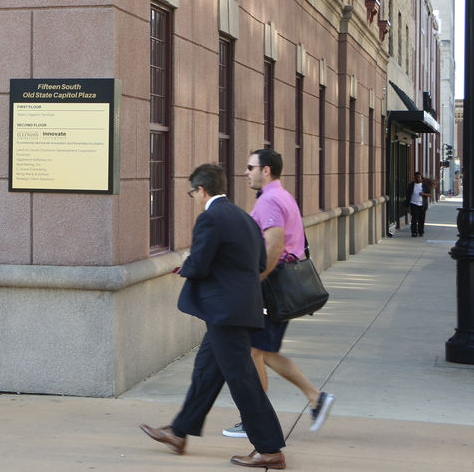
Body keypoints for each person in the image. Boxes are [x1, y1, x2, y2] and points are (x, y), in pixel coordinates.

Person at [141, 163, 287, 470]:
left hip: (225, 313)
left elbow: (200, 265)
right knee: (206, 371)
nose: (193, 198)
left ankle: (270, 449)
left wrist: (187, 261)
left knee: (242, 379)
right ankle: (178, 432)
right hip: (238, 309)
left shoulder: (210, 217)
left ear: (201, 190)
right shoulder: (244, 217)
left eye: (192, 192)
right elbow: (260, 262)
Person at [221, 149, 334, 439]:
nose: (246, 172)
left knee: (253, 351)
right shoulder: (282, 195)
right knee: (264, 351)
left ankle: (255, 419)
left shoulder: (269, 200)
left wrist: (256, 280)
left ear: (266, 170)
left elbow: (274, 244)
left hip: (270, 286)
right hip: (278, 285)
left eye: (250, 167)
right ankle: (315, 398)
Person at [405, 172, 428, 237]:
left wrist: (424, 194)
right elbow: (408, 195)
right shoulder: (411, 185)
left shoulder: (425, 185)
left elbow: (429, 194)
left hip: (422, 205)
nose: (418, 178)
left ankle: (421, 231)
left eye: (419, 177)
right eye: (416, 177)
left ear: (421, 177)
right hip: (413, 204)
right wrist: (406, 204)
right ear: (414, 178)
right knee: (414, 218)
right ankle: (414, 232)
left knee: (421, 219)